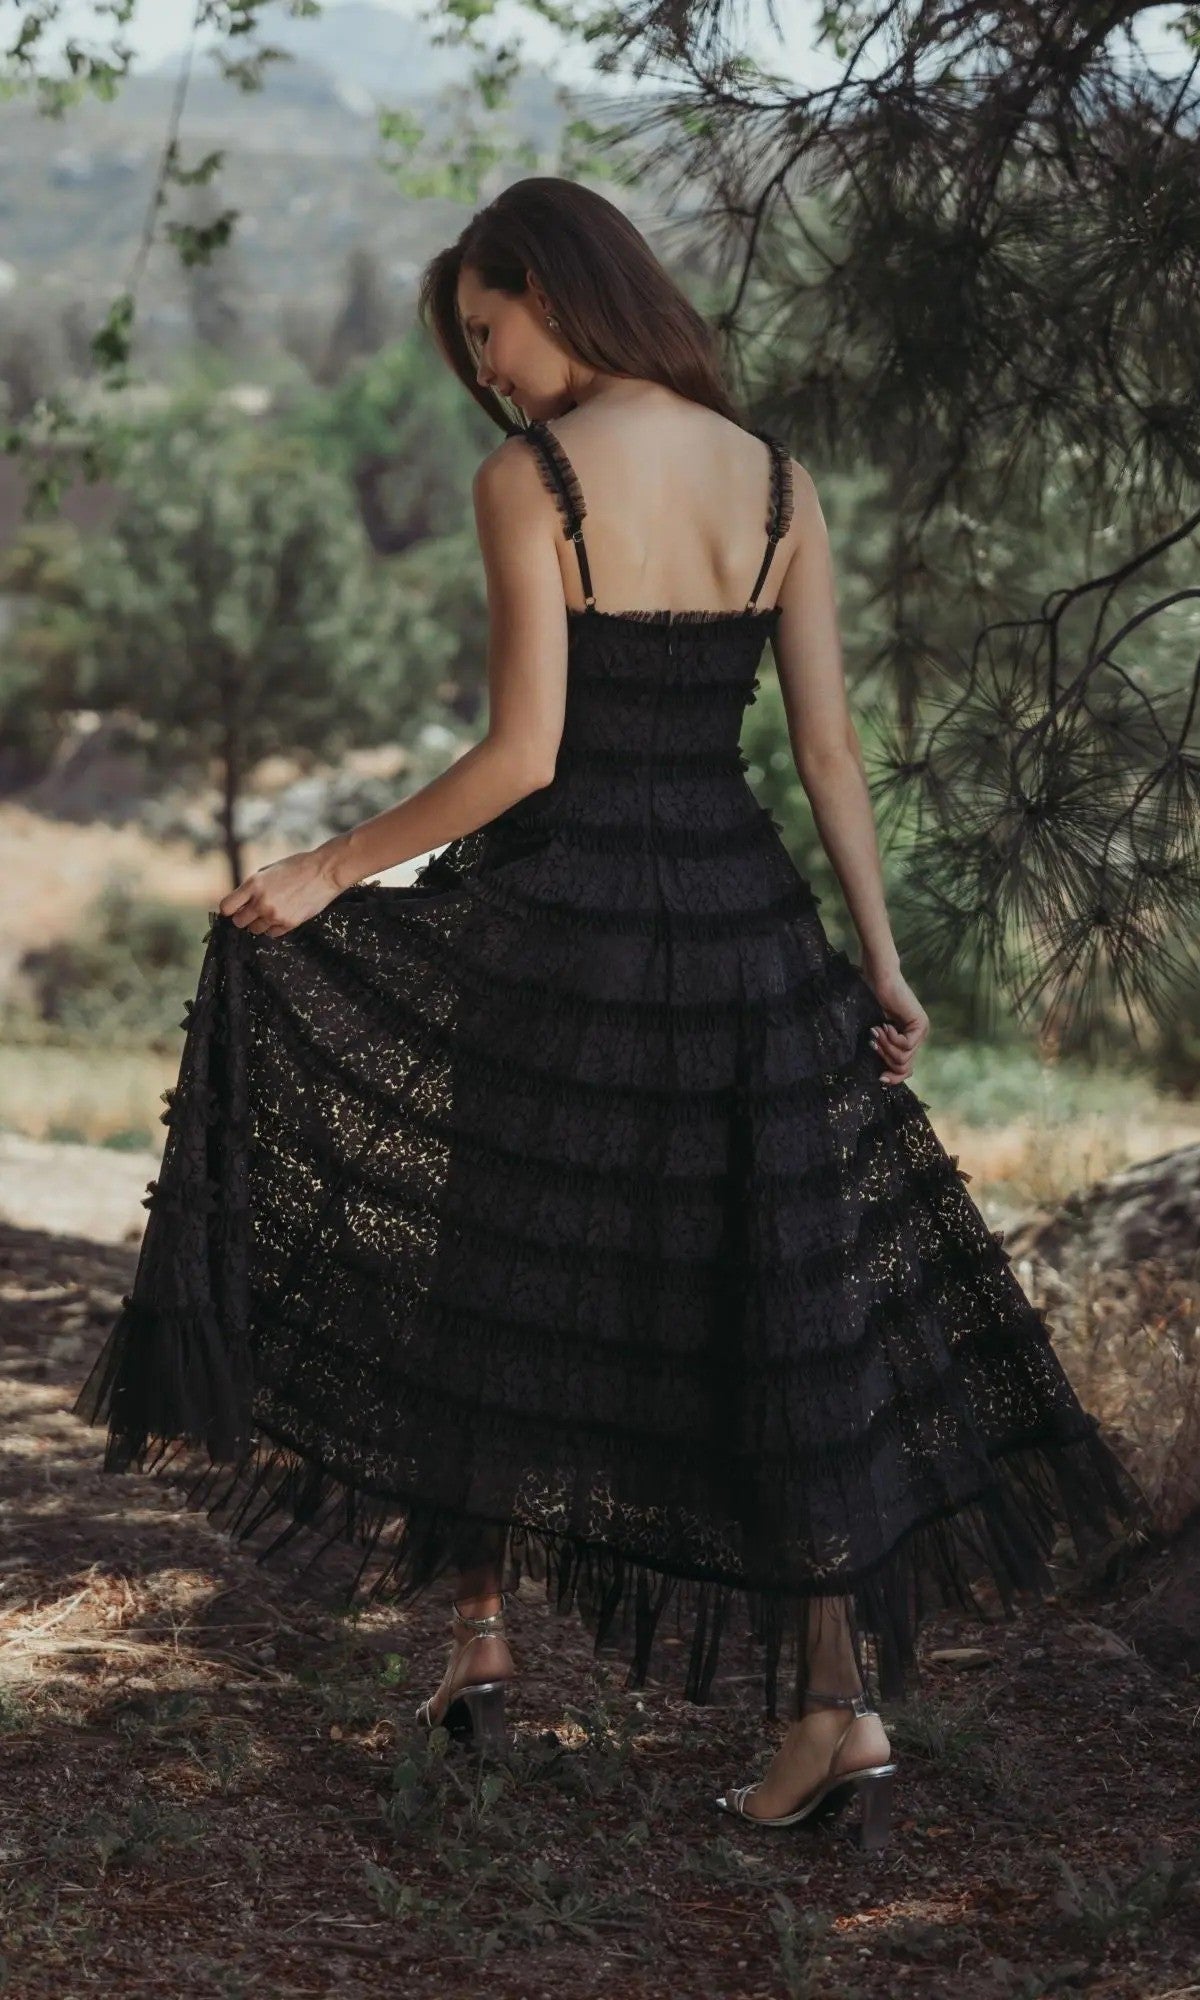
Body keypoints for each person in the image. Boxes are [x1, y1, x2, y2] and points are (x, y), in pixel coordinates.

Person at [72, 176, 1149, 1852]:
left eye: (487, 328)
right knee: (775, 1309)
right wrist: (879, 960)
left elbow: (526, 758)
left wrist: (330, 869)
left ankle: (481, 1636)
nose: (483, 370)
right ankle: (836, 1709)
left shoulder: (538, 480)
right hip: (743, 934)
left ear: (555, 289)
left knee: (502, 1270)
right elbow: (828, 754)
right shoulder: (777, 481)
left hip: (566, 928)